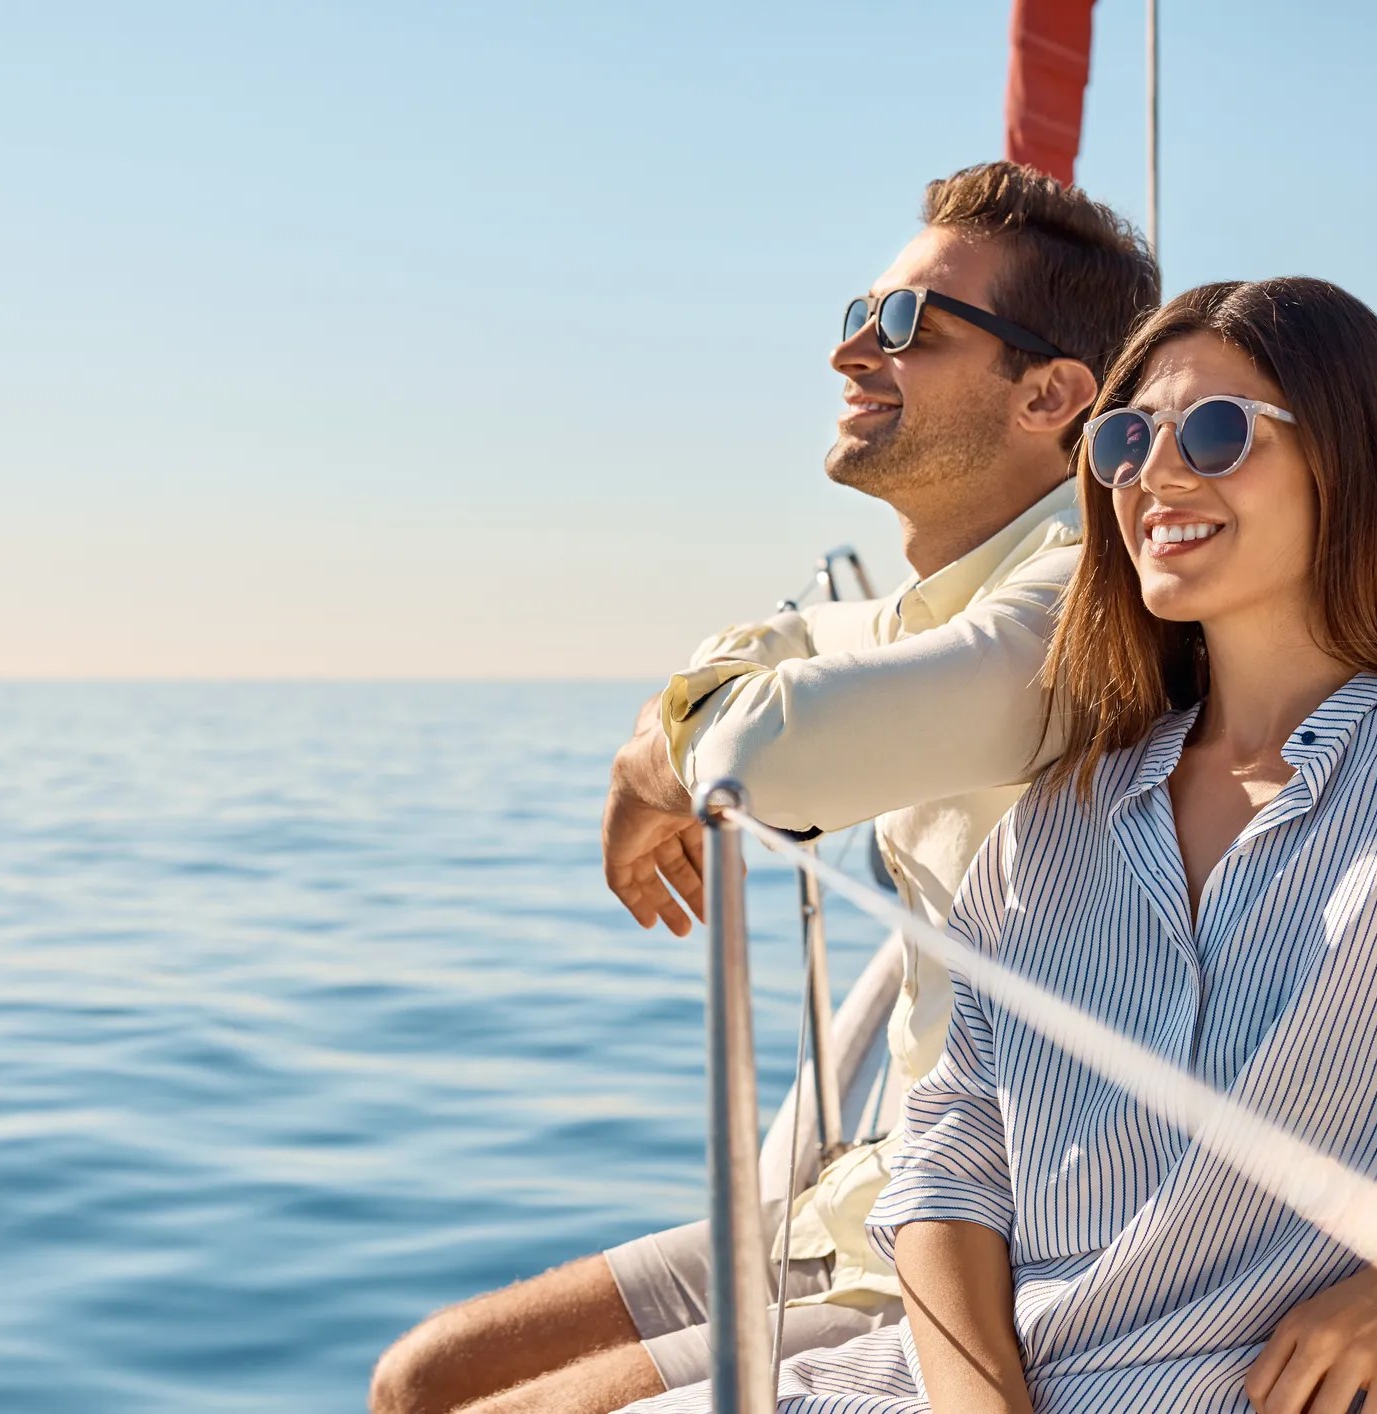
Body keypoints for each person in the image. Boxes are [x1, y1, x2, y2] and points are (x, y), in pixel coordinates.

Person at [622, 277, 1377, 1414]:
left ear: (1350, 462)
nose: (1156, 474)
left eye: (1217, 433)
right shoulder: (1064, 815)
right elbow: (947, 1167)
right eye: (1126, 438)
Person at [368, 162, 1159, 1414]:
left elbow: (779, 740)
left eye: (908, 324)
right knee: (422, 1377)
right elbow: (780, 659)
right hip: (876, 1196)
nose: (854, 349)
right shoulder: (934, 604)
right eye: (860, 310)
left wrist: (649, 759)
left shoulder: (1092, 597)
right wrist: (694, 715)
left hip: (999, 1233)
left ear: (1051, 395)